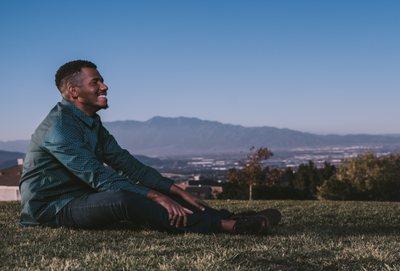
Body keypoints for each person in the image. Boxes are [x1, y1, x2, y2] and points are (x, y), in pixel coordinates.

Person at [19, 60, 280, 234]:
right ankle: (229, 226)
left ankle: (231, 216)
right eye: (95, 82)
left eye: (102, 80)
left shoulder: (91, 122)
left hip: (82, 196)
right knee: (126, 199)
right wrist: (156, 196)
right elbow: (98, 176)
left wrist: (172, 188)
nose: (105, 86)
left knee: (153, 188)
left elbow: (125, 162)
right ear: (74, 92)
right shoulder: (59, 128)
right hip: (53, 209)